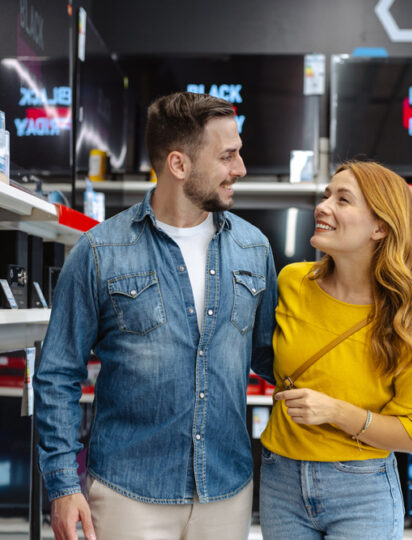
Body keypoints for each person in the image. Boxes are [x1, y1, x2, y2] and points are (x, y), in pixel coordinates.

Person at [34, 91, 277, 540]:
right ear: (178, 164)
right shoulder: (100, 251)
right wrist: (63, 484)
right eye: (227, 156)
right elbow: (57, 374)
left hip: (226, 491)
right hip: (128, 494)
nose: (240, 169)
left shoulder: (254, 248)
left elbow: (271, 357)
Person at [259, 160, 412, 540]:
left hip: (361, 490)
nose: (323, 207)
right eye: (326, 195)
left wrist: (336, 412)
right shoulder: (292, 282)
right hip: (281, 480)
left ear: (380, 227)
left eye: (343, 200)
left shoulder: (408, 319)